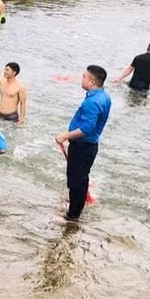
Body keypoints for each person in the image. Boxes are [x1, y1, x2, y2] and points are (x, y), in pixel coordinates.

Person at [56, 65, 112, 222]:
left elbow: (86, 128)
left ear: (92, 81)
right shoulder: (104, 96)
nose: (82, 79)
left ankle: (73, 216)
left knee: (76, 181)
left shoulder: (92, 102)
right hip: (90, 145)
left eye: (84, 77)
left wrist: (65, 136)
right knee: (81, 178)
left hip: (82, 146)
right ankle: (76, 208)